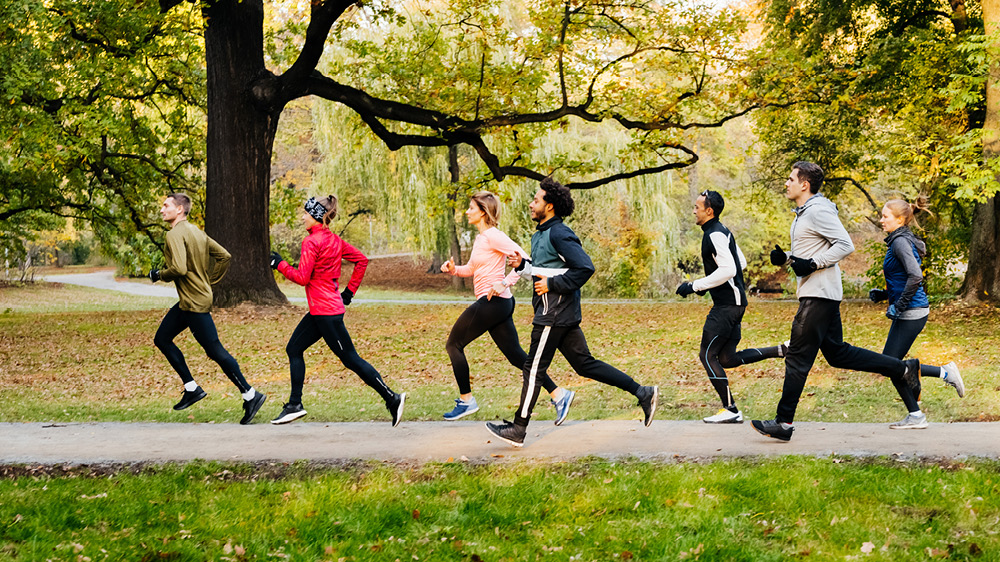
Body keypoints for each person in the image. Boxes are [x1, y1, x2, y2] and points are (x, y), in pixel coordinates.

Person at [750, 162, 920, 441]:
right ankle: (902, 369)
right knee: (838, 354)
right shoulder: (804, 212)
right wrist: (789, 259)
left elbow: (845, 244)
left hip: (819, 294)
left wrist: (813, 263)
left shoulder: (817, 210)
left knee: (797, 357)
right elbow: (811, 254)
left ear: (804, 184)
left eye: (790, 179)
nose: (786, 183)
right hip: (818, 292)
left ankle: (783, 423)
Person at [486, 178, 659, 447]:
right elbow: (548, 268)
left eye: (536, 200)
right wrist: (524, 266)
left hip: (553, 314)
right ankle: (643, 392)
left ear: (550, 206)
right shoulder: (540, 234)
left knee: (533, 369)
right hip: (558, 313)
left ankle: (518, 428)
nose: (531, 204)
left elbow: (584, 268)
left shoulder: (559, 233)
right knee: (584, 364)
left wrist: (553, 284)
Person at [269, 196, 406, 426]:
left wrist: (280, 265)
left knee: (351, 359)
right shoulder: (334, 240)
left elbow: (303, 278)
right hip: (322, 311)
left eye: (305, 214)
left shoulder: (311, 242)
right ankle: (294, 404)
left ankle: (392, 398)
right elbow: (361, 260)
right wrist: (348, 293)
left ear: (315, 216)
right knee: (294, 348)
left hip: (327, 314)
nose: (302, 217)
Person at [440, 192, 576, 423]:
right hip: (498, 304)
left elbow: (526, 260)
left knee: (453, 344)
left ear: (483, 211)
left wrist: (503, 282)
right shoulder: (481, 238)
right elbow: (472, 269)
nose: (467, 212)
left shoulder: (494, 236)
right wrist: (453, 269)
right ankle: (560, 395)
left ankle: (466, 400)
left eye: (471, 208)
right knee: (517, 357)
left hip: (494, 302)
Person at [149, 193, 266, 424]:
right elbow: (224, 256)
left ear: (180, 209)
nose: (162, 210)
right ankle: (192, 388)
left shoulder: (173, 234)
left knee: (215, 350)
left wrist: (158, 275)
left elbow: (179, 268)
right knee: (162, 338)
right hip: (192, 300)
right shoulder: (196, 232)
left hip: (193, 303)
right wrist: (207, 281)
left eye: (166, 206)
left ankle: (250, 394)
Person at [676, 190, 788, 424]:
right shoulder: (721, 230)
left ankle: (731, 409)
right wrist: (712, 284)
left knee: (707, 355)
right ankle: (780, 350)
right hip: (735, 304)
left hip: (727, 306)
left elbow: (729, 269)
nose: (693, 211)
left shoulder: (714, 235)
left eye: (697, 207)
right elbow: (741, 262)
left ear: (709, 211)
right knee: (726, 358)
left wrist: (695, 285)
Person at [867, 198, 965, 428]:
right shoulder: (899, 240)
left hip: (912, 311)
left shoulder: (900, 242)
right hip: (910, 309)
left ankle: (939, 380)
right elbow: (903, 278)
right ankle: (921, 406)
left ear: (899, 220)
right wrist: (884, 295)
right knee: (890, 364)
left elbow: (916, 276)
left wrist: (898, 306)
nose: (881, 220)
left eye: (885, 216)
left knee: (889, 364)